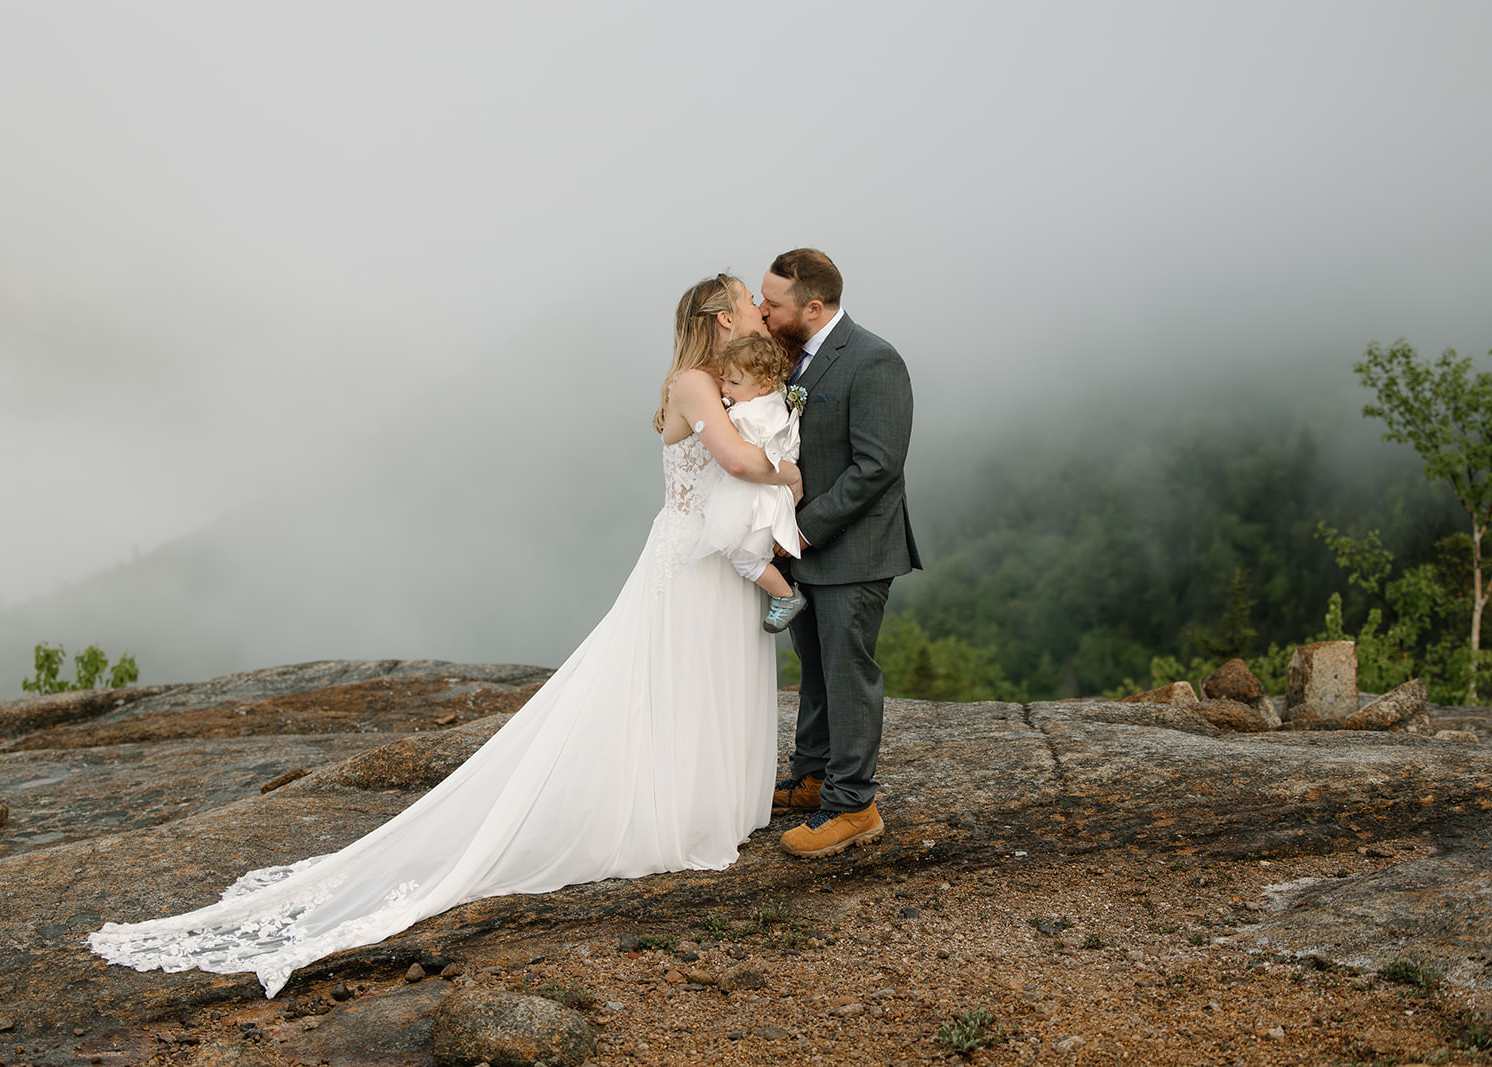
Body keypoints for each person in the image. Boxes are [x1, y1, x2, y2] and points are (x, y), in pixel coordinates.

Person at [87, 273, 801, 998]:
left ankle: (707, 801)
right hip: (688, 558)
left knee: (703, 675)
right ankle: (672, 808)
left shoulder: (727, 378)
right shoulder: (694, 381)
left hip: (709, 555)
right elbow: (739, 463)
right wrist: (790, 472)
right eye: (747, 299)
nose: (756, 308)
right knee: (671, 680)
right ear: (718, 318)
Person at [759, 248, 920, 860]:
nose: (764, 312)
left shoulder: (874, 360)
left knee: (849, 675)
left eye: (773, 304)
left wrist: (802, 531)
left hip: (853, 551)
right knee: (817, 670)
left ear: (814, 306)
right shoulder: (792, 357)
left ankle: (854, 805)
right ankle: (813, 777)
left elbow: (877, 467)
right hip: (803, 552)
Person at [694, 332, 810, 633]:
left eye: (734, 382)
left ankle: (786, 596)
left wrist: (719, 408)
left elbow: (731, 444)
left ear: (763, 385)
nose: (725, 388)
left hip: (754, 497)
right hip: (769, 494)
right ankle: (783, 594)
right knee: (750, 551)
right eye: (724, 380)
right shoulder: (774, 403)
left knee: (744, 558)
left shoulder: (745, 414)